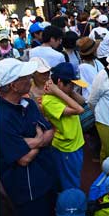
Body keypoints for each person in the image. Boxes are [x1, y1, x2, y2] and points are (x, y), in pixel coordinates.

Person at [0, 58, 57, 216]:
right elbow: (23, 159)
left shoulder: (29, 104)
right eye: (25, 77)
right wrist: (39, 141)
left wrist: (30, 142)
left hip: (47, 179)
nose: (30, 78)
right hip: (27, 191)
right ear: (13, 85)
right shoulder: (0, 118)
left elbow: (51, 132)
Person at [42, 62, 87, 190]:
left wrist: (65, 91)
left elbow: (83, 102)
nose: (73, 87)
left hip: (76, 143)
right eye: (71, 84)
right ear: (61, 82)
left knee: (75, 176)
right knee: (70, 182)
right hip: (66, 148)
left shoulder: (66, 93)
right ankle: (72, 206)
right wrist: (58, 92)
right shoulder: (49, 101)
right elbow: (79, 110)